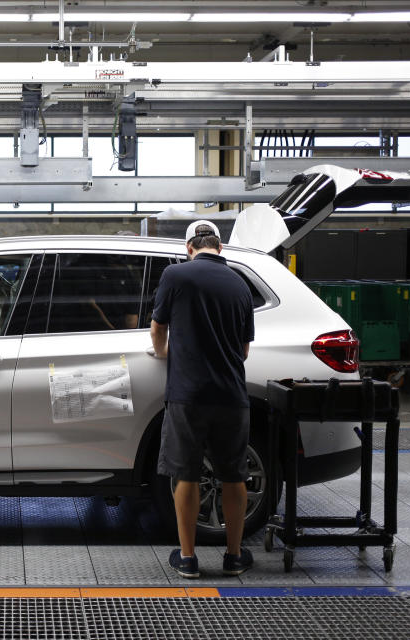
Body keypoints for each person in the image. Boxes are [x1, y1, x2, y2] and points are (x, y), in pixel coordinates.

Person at [150, 220, 255, 579]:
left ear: (189, 248)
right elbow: (242, 350)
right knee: (233, 474)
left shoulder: (175, 277)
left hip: (187, 395)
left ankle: (188, 558)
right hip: (231, 394)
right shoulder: (241, 285)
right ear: (220, 248)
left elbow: (158, 327)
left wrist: (163, 353)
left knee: (186, 473)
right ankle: (234, 555)